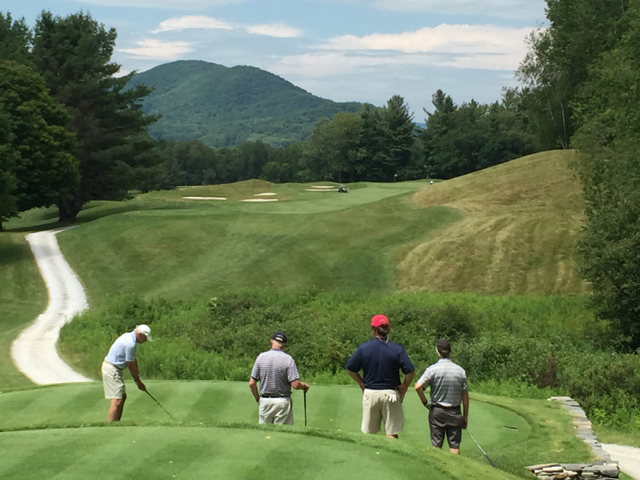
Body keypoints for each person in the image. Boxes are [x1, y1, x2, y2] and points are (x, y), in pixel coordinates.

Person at [345, 314, 415, 438]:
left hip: (370, 393)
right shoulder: (397, 349)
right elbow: (410, 371)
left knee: (369, 435)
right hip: (390, 394)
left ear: (374, 329)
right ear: (388, 328)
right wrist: (404, 385)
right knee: (391, 434)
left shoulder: (364, 348)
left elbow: (351, 369)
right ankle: (392, 457)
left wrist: (361, 382)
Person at [415, 338, 469, 454]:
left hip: (437, 411)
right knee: (454, 445)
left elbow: (418, 386)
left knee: (436, 445)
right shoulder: (460, 371)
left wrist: (425, 402)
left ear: (437, 351)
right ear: (450, 351)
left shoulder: (432, 369)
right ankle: (456, 469)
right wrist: (465, 416)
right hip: (455, 412)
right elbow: (465, 395)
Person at [249, 331, 309, 424]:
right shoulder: (288, 359)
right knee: (282, 434)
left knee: (264, 433)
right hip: (282, 401)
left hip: (265, 400)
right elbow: (295, 385)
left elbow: (252, 383)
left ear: (271, 341)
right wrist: (304, 385)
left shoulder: (261, 357)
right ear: (284, 345)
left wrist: (258, 399)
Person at [101, 324, 151, 422]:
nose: (145, 341)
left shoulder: (128, 336)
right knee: (117, 400)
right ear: (140, 334)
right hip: (112, 368)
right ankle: (110, 426)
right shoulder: (130, 343)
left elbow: (133, 360)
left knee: (122, 397)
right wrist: (138, 382)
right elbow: (131, 365)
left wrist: (138, 380)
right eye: (144, 338)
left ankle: (117, 424)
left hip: (113, 368)